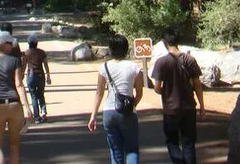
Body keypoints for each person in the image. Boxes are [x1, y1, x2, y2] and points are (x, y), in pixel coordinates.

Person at [0, 29, 33, 164]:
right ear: (4, 44)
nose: (12, 46)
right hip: (15, 104)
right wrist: (27, 107)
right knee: (14, 144)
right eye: (10, 43)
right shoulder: (14, 61)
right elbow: (19, 84)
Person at [151, 27, 205, 164]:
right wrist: (202, 106)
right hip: (189, 107)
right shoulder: (190, 60)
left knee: (172, 141)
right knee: (188, 142)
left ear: (165, 41)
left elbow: (157, 88)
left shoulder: (161, 62)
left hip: (170, 108)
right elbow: (197, 85)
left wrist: (166, 92)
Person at [87, 34, 143, 164]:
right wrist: (131, 106)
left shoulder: (104, 67)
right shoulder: (134, 67)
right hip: (128, 113)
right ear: (126, 49)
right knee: (132, 149)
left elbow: (99, 93)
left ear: (110, 49)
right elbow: (139, 93)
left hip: (109, 112)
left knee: (115, 151)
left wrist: (93, 116)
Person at [20, 33, 51, 122]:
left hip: (31, 75)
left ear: (28, 43)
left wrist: (21, 76)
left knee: (33, 96)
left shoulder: (26, 53)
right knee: (41, 94)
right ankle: (43, 112)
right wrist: (48, 76)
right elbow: (45, 64)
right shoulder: (41, 52)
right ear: (37, 43)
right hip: (40, 75)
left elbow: (23, 66)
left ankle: (36, 116)